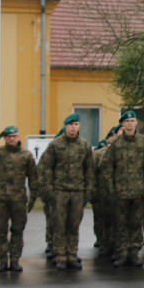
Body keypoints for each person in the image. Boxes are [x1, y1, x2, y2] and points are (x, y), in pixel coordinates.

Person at [37, 114, 94, 270]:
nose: (73, 127)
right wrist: (49, 190)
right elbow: (47, 168)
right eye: (70, 124)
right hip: (60, 191)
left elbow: (89, 169)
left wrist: (88, 191)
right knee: (60, 225)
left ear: (79, 126)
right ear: (66, 126)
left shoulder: (84, 145)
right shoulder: (55, 145)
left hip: (78, 191)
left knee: (74, 225)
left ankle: (72, 255)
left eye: (76, 124)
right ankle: (60, 256)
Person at [104, 111, 144, 267]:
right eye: (127, 121)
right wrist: (111, 189)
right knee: (121, 224)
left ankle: (134, 253)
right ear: (122, 124)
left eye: (132, 120)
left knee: (136, 223)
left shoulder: (143, 142)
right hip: (120, 191)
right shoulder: (115, 143)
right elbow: (108, 168)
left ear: (136, 123)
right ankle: (122, 253)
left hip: (138, 191)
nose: (130, 123)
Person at [0, 126, 38, 272]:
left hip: (18, 199)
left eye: (14, 136)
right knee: (0, 230)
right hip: (1, 199)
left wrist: (34, 196)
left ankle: (15, 260)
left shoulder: (26, 155)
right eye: (8, 136)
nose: (11, 139)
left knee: (18, 230)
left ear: (18, 137)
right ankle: (2, 260)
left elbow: (33, 177)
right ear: (4, 137)